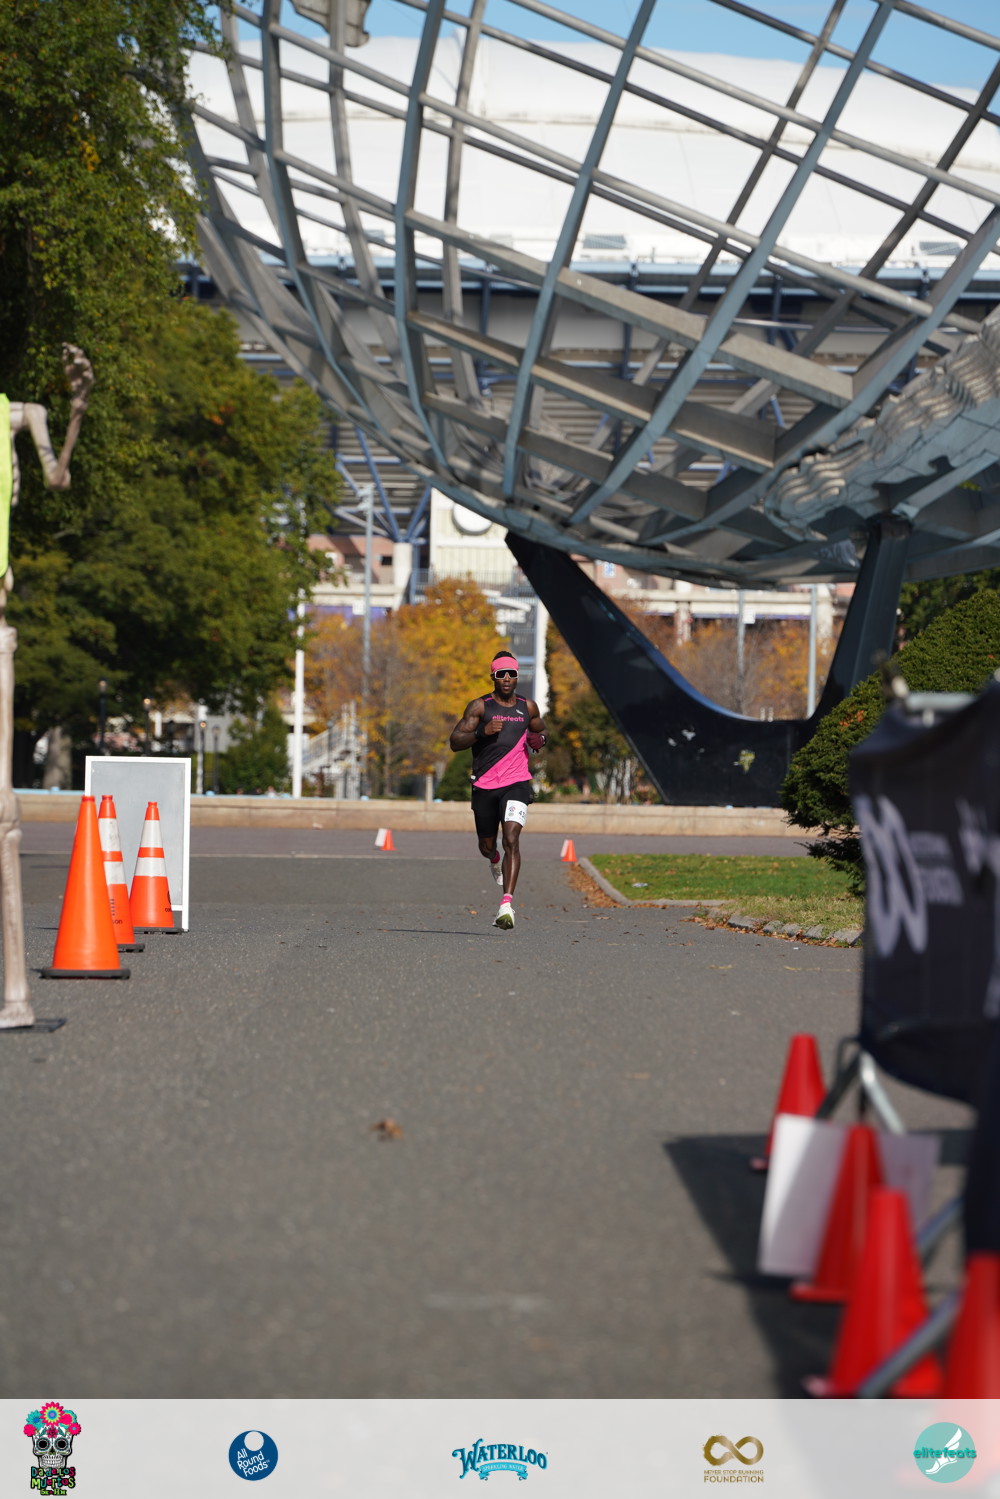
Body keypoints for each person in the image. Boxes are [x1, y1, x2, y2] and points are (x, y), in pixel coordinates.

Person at [449, 649, 548, 930]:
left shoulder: (528, 707)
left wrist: (540, 740)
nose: (506, 678)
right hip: (485, 785)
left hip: (517, 783)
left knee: (512, 840)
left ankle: (506, 906)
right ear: (493, 676)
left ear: (517, 677)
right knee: (487, 846)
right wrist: (481, 732)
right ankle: (493, 859)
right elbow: (455, 741)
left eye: (511, 674)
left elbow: (542, 731)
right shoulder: (480, 707)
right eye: (501, 673)